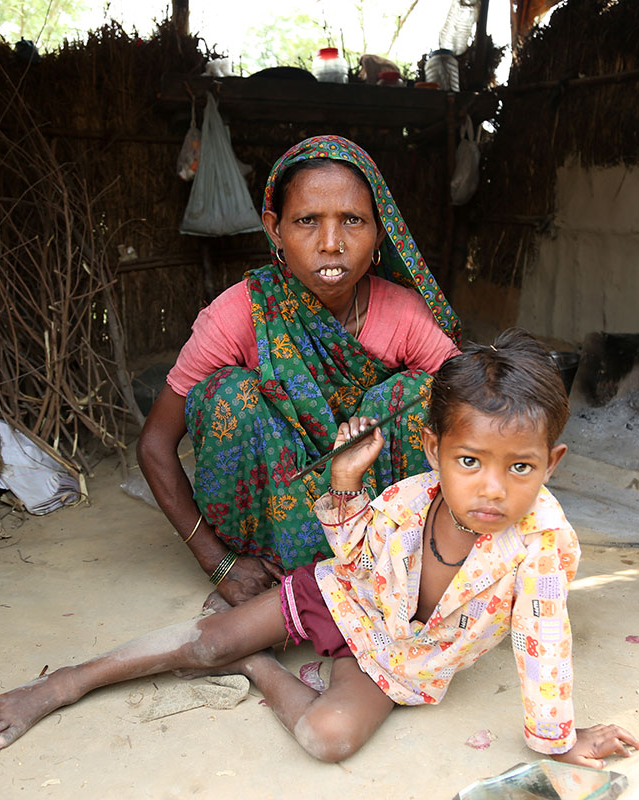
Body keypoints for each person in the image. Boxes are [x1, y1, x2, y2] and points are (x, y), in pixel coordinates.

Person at [0, 328, 639, 767]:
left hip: (400, 661)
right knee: (208, 641)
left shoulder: (546, 542)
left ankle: (258, 669)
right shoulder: (412, 497)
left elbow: (544, 636)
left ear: (551, 463)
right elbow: (354, 559)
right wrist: (347, 480)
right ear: (435, 448)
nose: (493, 489)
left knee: (328, 740)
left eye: (520, 468)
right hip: (343, 598)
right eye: (470, 460)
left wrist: (558, 738)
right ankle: (71, 682)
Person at [137, 135, 461, 606]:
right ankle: (284, 575)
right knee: (228, 394)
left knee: (426, 396)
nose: (331, 244)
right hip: (265, 544)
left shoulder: (405, 315)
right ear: (275, 229)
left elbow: (477, 415)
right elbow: (154, 444)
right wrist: (218, 562)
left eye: (353, 220)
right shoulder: (240, 314)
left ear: (379, 231)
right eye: (307, 221)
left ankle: (394, 564)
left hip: (373, 534)